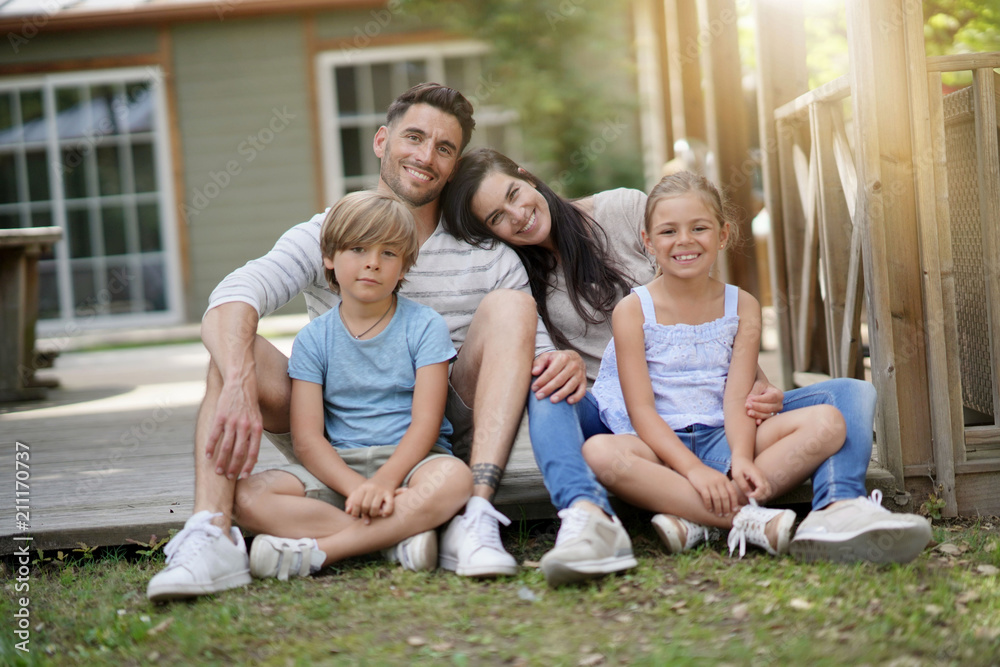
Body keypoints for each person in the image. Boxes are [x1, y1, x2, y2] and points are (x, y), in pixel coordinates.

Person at [147, 84, 591, 601]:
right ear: (382, 141)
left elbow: (530, 353)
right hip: (333, 434)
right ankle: (211, 534)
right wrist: (240, 386)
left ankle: (473, 513)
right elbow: (233, 295)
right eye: (414, 137)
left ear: (454, 165)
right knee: (233, 341)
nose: (426, 157)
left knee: (512, 306)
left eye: (444, 149)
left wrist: (563, 362)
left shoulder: (485, 251)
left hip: (437, 431)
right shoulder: (331, 233)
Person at [442, 149, 932, 564]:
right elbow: (534, 346)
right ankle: (587, 515)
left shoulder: (622, 210)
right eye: (497, 219)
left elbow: (708, 299)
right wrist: (560, 359)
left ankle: (833, 508)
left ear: (526, 178)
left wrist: (756, 383)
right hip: (619, 413)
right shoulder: (518, 270)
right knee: (546, 385)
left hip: (707, 404)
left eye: (513, 195)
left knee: (851, 394)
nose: (518, 216)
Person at [586, 171, 847, 557]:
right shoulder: (633, 311)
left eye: (699, 228)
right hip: (659, 447)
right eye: (668, 231)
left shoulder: (742, 306)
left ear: (723, 235)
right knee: (600, 453)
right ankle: (746, 518)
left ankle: (693, 517)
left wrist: (741, 457)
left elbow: (736, 397)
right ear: (648, 241)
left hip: (724, 436)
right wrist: (693, 469)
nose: (684, 241)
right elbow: (641, 411)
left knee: (828, 422)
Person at [228, 191, 472, 580]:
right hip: (339, 469)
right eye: (358, 249)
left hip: (412, 465)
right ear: (329, 257)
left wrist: (385, 482)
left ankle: (325, 550)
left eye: (389, 254)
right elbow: (307, 439)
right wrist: (358, 487)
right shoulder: (314, 340)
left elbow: (426, 424)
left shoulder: (425, 326)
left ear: (404, 266)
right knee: (245, 497)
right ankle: (397, 536)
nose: (373, 263)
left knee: (456, 479)